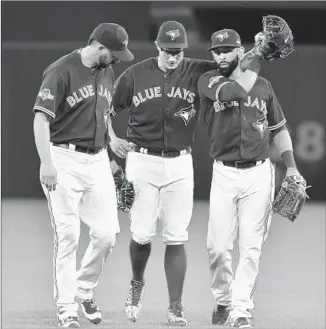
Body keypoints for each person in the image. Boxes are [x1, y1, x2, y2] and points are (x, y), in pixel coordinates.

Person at [111, 20, 217, 326]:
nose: (174, 56)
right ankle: (136, 284)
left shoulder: (197, 69)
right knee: (142, 233)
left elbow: (230, 65)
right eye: (169, 50)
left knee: (176, 236)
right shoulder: (135, 74)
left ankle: (175, 306)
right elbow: (106, 109)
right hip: (142, 161)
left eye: (179, 51)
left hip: (180, 163)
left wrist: (257, 52)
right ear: (158, 46)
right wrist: (111, 139)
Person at [198, 29, 305, 328]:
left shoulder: (265, 86)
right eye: (216, 51)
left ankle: (241, 309)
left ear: (239, 51)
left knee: (250, 247)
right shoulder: (208, 80)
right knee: (217, 248)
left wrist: (292, 167)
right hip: (224, 173)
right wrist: (258, 52)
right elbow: (236, 91)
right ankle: (223, 298)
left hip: (259, 173)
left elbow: (279, 130)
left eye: (227, 50)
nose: (220, 55)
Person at [32, 23, 133, 328]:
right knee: (68, 236)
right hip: (63, 158)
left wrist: (112, 146)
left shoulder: (107, 71)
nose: (117, 59)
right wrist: (46, 163)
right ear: (99, 47)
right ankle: (66, 309)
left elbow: (102, 113)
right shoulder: (61, 71)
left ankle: (83, 288)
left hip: (98, 159)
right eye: (114, 53)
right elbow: (40, 119)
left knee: (106, 236)